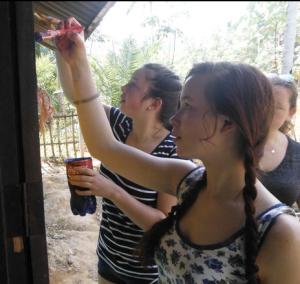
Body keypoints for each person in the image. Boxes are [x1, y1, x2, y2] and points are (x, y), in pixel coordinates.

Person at [54, 16, 300, 284]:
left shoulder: (281, 234)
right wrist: (78, 60)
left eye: (189, 106)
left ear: (228, 123)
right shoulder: (186, 180)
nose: (174, 118)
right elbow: (105, 147)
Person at [54, 21, 188, 284]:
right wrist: (63, 52)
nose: (124, 88)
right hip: (108, 257)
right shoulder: (118, 123)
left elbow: (160, 223)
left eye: (133, 85)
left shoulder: (174, 151)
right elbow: (76, 95)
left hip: (144, 272)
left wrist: (111, 190)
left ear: (153, 104)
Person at [258, 74, 300, 209]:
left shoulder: (297, 153)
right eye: (261, 102)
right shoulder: (230, 142)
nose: (265, 111)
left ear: (290, 113)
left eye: (277, 106)